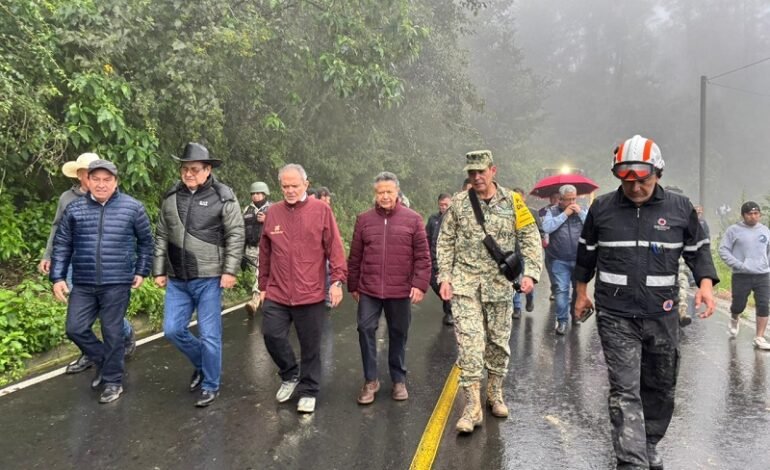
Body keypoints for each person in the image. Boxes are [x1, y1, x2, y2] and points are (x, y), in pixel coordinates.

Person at [574, 135, 718, 470]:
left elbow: (699, 251)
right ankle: (631, 461)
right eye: (627, 181)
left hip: (662, 315)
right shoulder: (602, 208)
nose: (635, 188)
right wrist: (581, 293)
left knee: (660, 386)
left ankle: (650, 442)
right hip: (615, 315)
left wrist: (705, 286)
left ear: (658, 173)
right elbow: (585, 255)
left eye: (643, 180)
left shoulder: (680, 208)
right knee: (624, 390)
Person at [436, 150, 542, 433]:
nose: (476, 177)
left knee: (497, 343)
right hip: (465, 285)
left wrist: (531, 272)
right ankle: (472, 407)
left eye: (481, 171)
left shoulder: (513, 201)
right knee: (470, 346)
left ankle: (495, 393)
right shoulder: (459, 204)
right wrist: (444, 276)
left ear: (493, 170)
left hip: (499, 285)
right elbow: (445, 241)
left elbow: (530, 237)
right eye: (471, 172)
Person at [50, 159, 153, 404]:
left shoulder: (133, 208)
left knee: (112, 332)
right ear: (87, 180)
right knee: (75, 328)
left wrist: (141, 270)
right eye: (95, 179)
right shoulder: (75, 209)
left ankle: (113, 382)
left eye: (107, 179)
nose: (101, 184)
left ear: (115, 182)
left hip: (117, 282)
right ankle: (105, 362)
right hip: (83, 282)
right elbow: (62, 244)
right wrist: (57, 277)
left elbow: (146, 243)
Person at [153, 143, 245, 408]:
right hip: (177, 279)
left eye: (194, 169)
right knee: (172, 330)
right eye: (185, 169)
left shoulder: (223, 196)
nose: (188, 174)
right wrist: (159, 270)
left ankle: (210, 385)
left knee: (209, 335)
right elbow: (162, 234)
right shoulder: (171, 196)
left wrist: (230, 270)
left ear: (207, 170)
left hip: (209, 277)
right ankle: (203, 365)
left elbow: (236, 234)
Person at [259, 164, 347, 414]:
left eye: (294, 186)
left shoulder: (321, 210)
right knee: (271, 334)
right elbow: (265, 252)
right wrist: (262, 285)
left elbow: (334, 247)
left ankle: (309, 390)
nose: (290, 190)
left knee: (310, 345)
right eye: (285, 186)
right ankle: (290, 374)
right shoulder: (273, 212)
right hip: (277, 290)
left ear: (306, 185)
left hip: (310, 291)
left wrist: (337, 281)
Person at [39, 153, 137, 374]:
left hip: (104, 266)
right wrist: (49, 256)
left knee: (105, 311)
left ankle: (126, 334)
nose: (88, 176)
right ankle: (90, 353)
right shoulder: (67, 198)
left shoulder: (113, 198)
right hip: (74, 262)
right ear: (81, 175)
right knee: (80, 314)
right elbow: (57, 228)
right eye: (84, 173)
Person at [348, 172, 431, 405]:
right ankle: (370, 380)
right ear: (375, 194)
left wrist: (419, 284)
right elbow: (355, 256)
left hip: (400, 289)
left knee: (398, 333)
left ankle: (398, 379)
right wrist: (353, 284)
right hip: (369, 288)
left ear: (397, 192)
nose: (384, 196)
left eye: (389, 192)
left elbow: (423, 256)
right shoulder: (364, 219)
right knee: (365, 329)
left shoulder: (413, 219)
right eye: (380, 192)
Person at [718, 201, 770, 350]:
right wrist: (738, 264)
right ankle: (735, 317)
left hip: (762, 274)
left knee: (763, 304)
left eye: (756, 213)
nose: (753, 216)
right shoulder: (733, 230)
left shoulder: (765, 230)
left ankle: (759, 337)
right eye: (749, 214)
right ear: (743, 215)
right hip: (741, 274)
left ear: (760, 215)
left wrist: (766, 264)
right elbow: (723, 250)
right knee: (739, 304)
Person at [542, 184, 586, 334]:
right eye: (568, 199)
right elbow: (547, 228)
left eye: (574, 198)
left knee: (578, 290)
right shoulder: (552, 211)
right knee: (561, 290)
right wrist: (564, 215)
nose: (572, 202)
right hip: (559, 258)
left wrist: (580, 214)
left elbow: (592, 227)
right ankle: (561, 321)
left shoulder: (581, 211)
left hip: (579, 258)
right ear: (560, 199)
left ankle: (575, 315)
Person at [512, 187, 542, 319]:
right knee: (514, 281)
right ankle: (517, 307)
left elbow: (540, 230)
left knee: (528, 278)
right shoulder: (507, 214)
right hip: (512, 253)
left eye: (519, 197)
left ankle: (529, 299)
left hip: (527, 254)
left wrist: (535, 245)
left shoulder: (532, 212)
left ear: (524, 198)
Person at [426, 193, 454, 325]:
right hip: (434, 257)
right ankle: (447, 301)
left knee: (448, 283)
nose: (443, 207)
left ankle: (450, 312)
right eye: (441, 205)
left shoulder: (455, 219)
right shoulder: (433, 219)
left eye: (446, 205)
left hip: (450, 259)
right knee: (434, 282)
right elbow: (428, 238)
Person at [243, 181, 271, 315]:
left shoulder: (273, 209)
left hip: (266, 248)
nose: (255, 196)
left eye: (258, 193)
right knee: (258, 275)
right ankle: (265, 298)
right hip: (250, 249)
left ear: (264, 194)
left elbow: (280, 228)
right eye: (253, 193)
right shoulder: (247, 210)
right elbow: (241, 230)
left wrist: (267, 220)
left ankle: (254, 301)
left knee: (260, 273)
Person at [539, 192, 561, 301]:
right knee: (551, 269)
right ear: (550, 198)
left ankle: (561, 289)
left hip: (561, 244)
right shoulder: (542, 212)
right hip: (548, 245)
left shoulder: (564, 210)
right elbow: (538, 226)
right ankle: (555, 289)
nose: (555, 200)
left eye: (558, 198)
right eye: (553, 197)